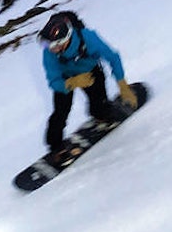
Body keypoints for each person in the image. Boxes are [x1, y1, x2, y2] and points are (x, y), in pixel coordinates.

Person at [38, 11, 138, 156]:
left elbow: (113, 57)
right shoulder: (49, 52)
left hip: (90, 71)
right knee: (60, 113)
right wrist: (72, 82)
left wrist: (122, 84)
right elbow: (53, 80)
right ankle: (56, 147)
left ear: (65, 40)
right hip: (66, 79)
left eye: (53, 45)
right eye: (46, 44)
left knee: (99, 104)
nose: (49, 48)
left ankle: (101, 115)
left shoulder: (88, 38)